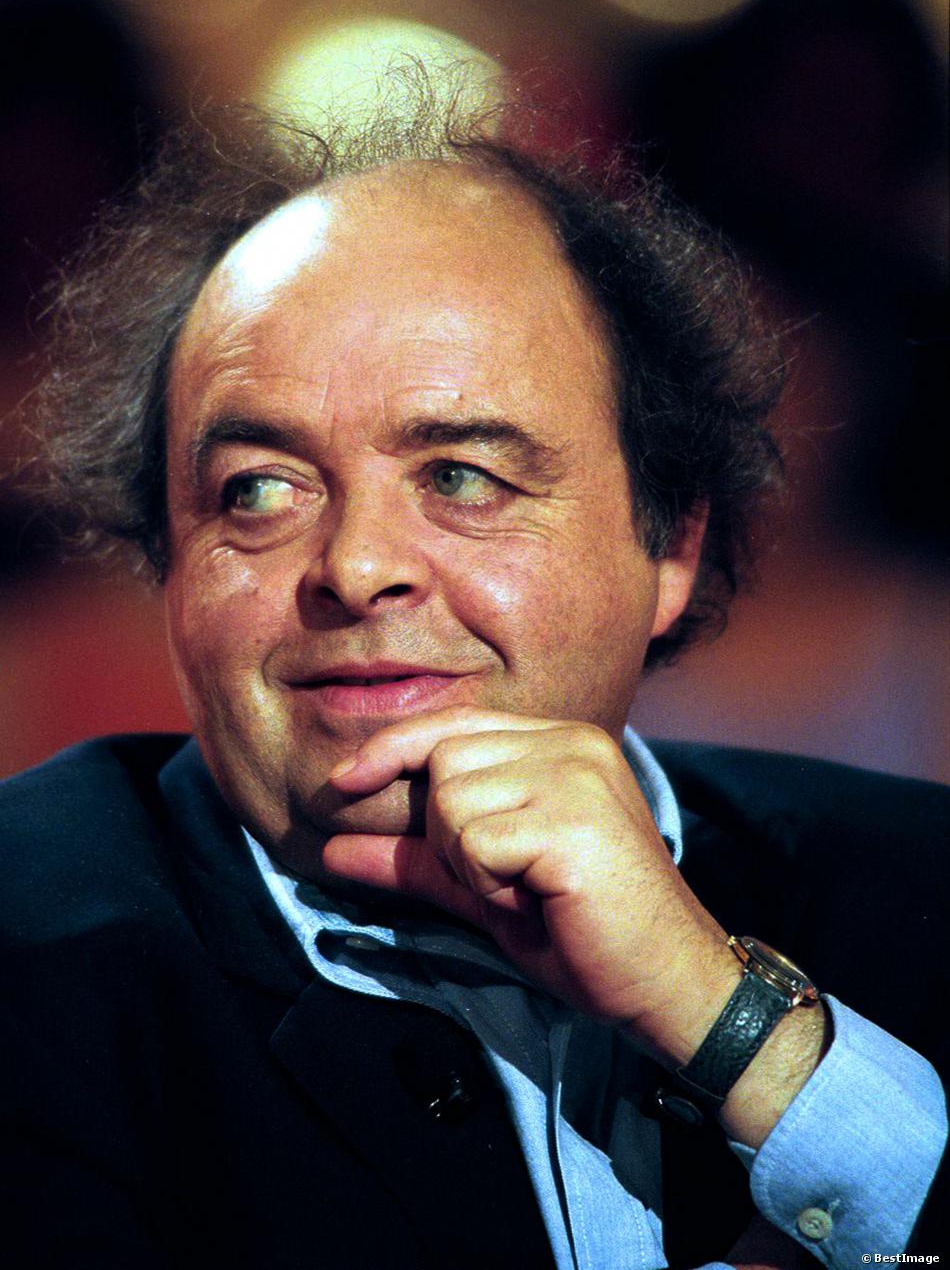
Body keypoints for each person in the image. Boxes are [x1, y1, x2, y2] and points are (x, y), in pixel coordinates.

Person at [2, 84, 946, 1270]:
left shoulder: (922, 890)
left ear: (667, 543)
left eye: (460, 476)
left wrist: (734, 1025)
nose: (355, 568)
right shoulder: (28, 962)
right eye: (257, 490)